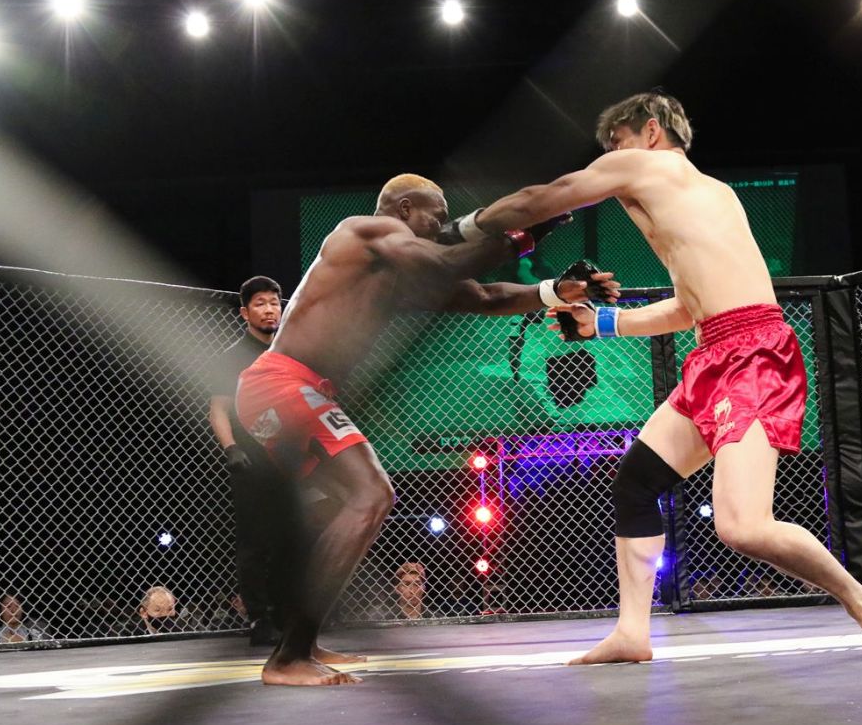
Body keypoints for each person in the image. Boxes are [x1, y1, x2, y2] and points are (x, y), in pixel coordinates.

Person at [467, 92, 862, 663]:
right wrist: (600, 323)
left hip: (753, 354)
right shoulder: (710, 195)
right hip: (716, 352)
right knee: (635, 483)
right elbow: (687, 309)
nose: (611, 158)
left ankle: (858, 596)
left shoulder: (646, 166)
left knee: (743, 527)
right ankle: (632, 633)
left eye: (616, 143)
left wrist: (463, 229)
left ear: (650, 132)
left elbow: (541, 198)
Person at [236, 173, 614, 685]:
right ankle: (288, 658)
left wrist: (552, 291)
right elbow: (447, 261)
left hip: (295, 390)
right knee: (372, 495)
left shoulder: (397, 278)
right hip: (283, 384)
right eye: (435, 216)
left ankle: (299, 642)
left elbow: (484, 296)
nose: (441, 226)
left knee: (335, 512)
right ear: (404, 209)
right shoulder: (363, 230)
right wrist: (529, 232)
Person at [208, 275, 287, 646]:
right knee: (255, 542)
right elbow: (217, 410)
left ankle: (288, 614)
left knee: (294, 539)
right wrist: (231, 448)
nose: (270, 309)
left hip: (291, 460)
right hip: (251, 461)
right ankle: (259, 618)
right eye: (260, 303)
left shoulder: (289, 351)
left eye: (274, 302)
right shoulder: (233, 357)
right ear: (245, 312)